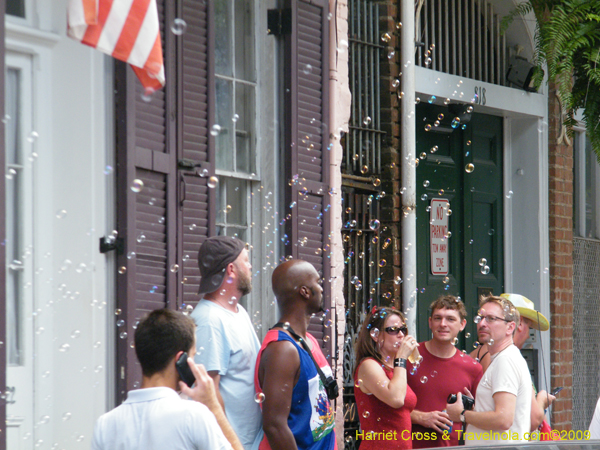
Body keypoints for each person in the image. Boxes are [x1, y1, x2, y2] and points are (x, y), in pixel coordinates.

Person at [92, 309, 243, 450]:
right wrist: (213, 406)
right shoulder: (194, 416)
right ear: (180, 360)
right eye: (193, 356)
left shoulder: (105, 425)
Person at [255, 260, 336, 450]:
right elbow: (274, 426)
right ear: (305, 291)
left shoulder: (307, 340)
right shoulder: (283, 350)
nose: (322, 289)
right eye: (317, 282)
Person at [191, 236, 262, 450]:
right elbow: (209, 393)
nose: (250, 266)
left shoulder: (240, 312)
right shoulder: (209, 320)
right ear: (231, 269)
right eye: (246, 260)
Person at [446, 295, 532, 445]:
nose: (482, 324)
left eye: (491, 318)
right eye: (480, 318)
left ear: (510, 327)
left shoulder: (506, 360)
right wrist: (478, 406)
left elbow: (503, 419)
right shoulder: (503, 358)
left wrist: (461, 414)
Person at [469, 293, 555, 432]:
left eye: (490, 319)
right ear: (519, 324)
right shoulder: (503, 358)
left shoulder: (503, 357)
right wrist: (541, 400)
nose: (528, 334)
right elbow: (532, 419)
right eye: (529, 326)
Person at [407, 296, 483, 447]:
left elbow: (478, 417)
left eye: (450, 319)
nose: (443, 324)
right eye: (437, 318)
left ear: (462, 325)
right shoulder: (409, 356)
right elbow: (388, 407)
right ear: (430, 322)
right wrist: (420, 417)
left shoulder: (473, 367)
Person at [353, 306, 419, 449]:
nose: (401, 335)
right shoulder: (368, 365)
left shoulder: (395, 369)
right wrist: (401, 358)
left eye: (403, 329)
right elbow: (396, 399)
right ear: (375, 335)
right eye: (393, 330)